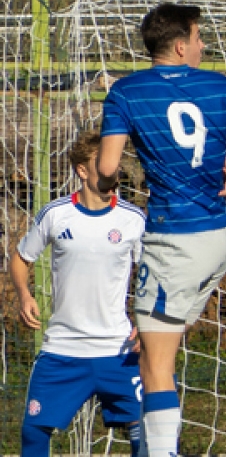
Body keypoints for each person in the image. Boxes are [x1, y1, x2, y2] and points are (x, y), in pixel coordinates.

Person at [97, 2, 226, 457]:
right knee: (164, 339)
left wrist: (110, 181)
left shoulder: (126, 92)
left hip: (173, 239)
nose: (203, 46)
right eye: (200, 39)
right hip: (219, 238)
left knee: (155, 363)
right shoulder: (222, 87)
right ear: (181, 46)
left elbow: (106, 167)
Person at [11, 131, 147, 457]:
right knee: (33, 431)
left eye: (115, 163)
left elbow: (153, 276)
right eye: (102, 164)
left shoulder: (133, 219)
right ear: (83, 171)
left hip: (119, 348)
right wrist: (24, 295)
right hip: (63, 348)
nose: (112, 170)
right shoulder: (55, 214)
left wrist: (146, 320)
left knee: (149, 429)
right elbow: (20, 258)